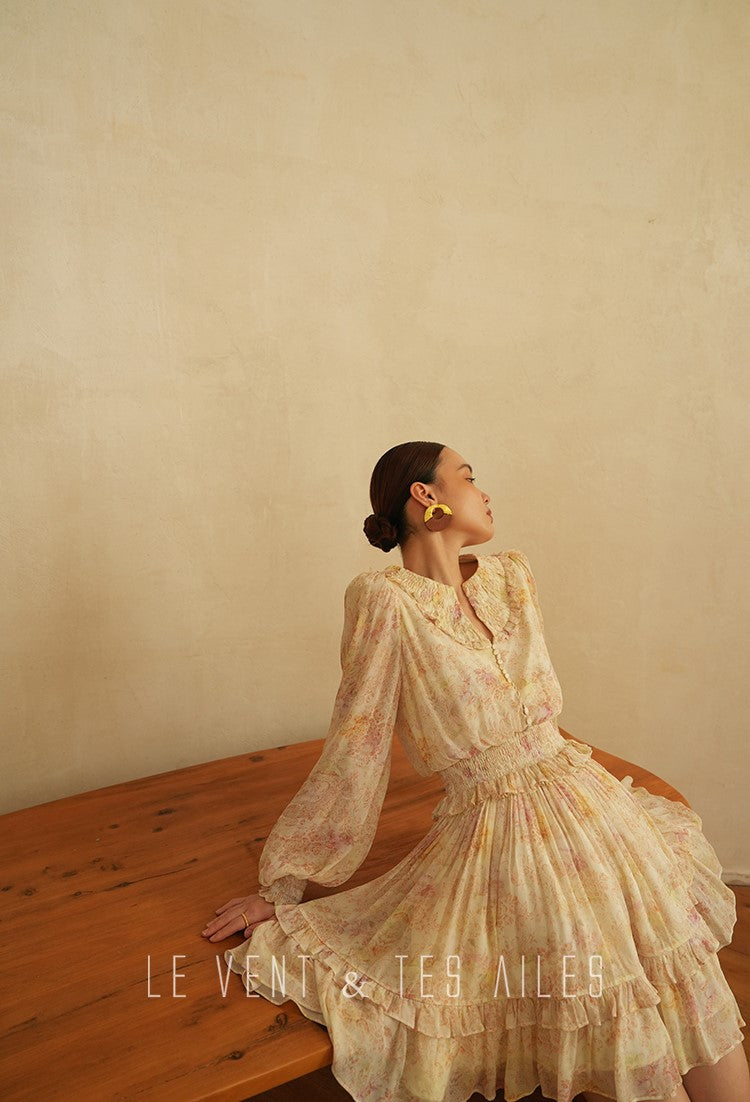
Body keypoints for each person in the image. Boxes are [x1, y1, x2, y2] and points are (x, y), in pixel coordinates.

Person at [201, 441, 749, 1102]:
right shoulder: (385, 601)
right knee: (600, 985)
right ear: (425, 496)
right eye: (467, 476)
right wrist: (287, 883)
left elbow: (536, 713)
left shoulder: (512, 577)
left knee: (685, 980)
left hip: (594, 808)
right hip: (498, 832)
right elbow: (357, 742)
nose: (484, 491)